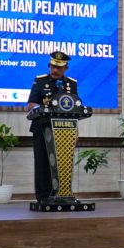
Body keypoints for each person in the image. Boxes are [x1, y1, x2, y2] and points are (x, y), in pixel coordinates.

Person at [26, 51, 77, 203]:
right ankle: (43, 196)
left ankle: (63, 194)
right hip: (42, 128)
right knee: (43, 163)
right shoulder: (40, 81)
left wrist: (76, 131)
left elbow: (74, 109)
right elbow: (31, 105)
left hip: (66, 130)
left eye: (59, 68)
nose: (55, 70)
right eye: (53, 66)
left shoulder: (71, 84)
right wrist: (45, 109)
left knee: (63, 163)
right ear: (49, 66)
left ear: (66, 68)